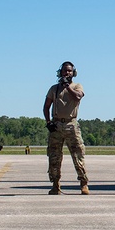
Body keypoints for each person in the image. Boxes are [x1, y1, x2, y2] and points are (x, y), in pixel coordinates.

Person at [43, 61, 89, 195]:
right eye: (65, 71)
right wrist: (48, 122)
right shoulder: (54, 89)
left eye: (69, 71)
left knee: (78, 156)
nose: (67, 73)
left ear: (73, 73)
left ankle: (83, 183)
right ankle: (55, 184)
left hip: (71, 125)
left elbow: (78, 97)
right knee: (54, 156)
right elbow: (46, 106)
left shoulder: (77, 86)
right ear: (60, 72)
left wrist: (67, 87)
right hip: (57, 125)